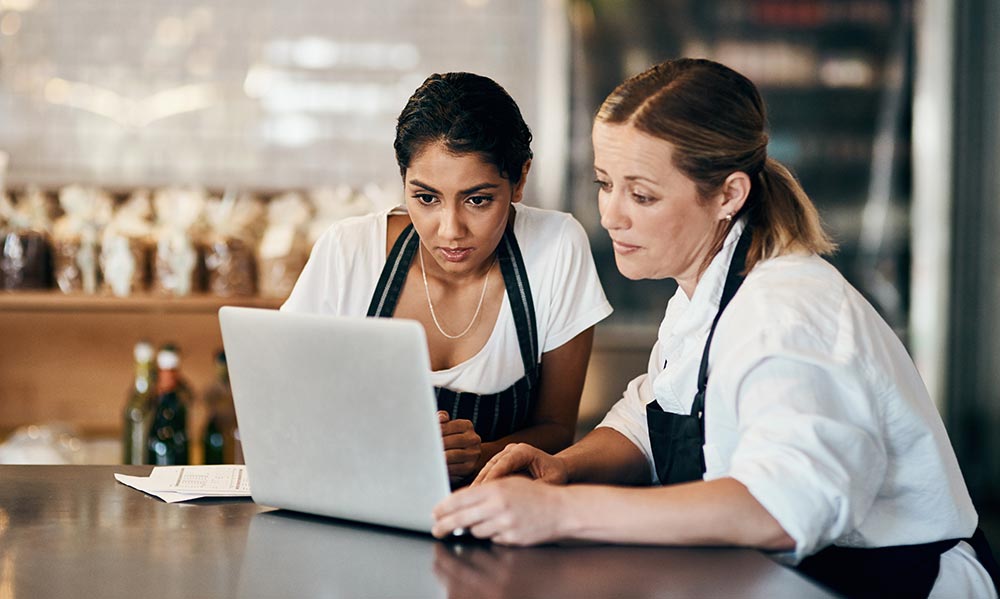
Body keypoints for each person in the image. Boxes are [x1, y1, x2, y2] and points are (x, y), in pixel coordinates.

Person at [431, 58, 1000, 598]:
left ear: (728, 193)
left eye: (643, 195)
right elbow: (650, 412)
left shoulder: (787, 310)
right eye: (606, 184)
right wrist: (561, 466)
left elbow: (782, 507)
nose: (611, 215)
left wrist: (559, 513)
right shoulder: (706, 290)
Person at [282, 72, 613, 486]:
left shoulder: (556, 247)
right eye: (426, 198)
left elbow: (557, 429)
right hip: (354, 506)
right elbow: (287, 409)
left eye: (477, 200)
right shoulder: (348, 253)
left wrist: (477, 457)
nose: (450, 229)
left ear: (520, 180)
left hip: (498, 519)